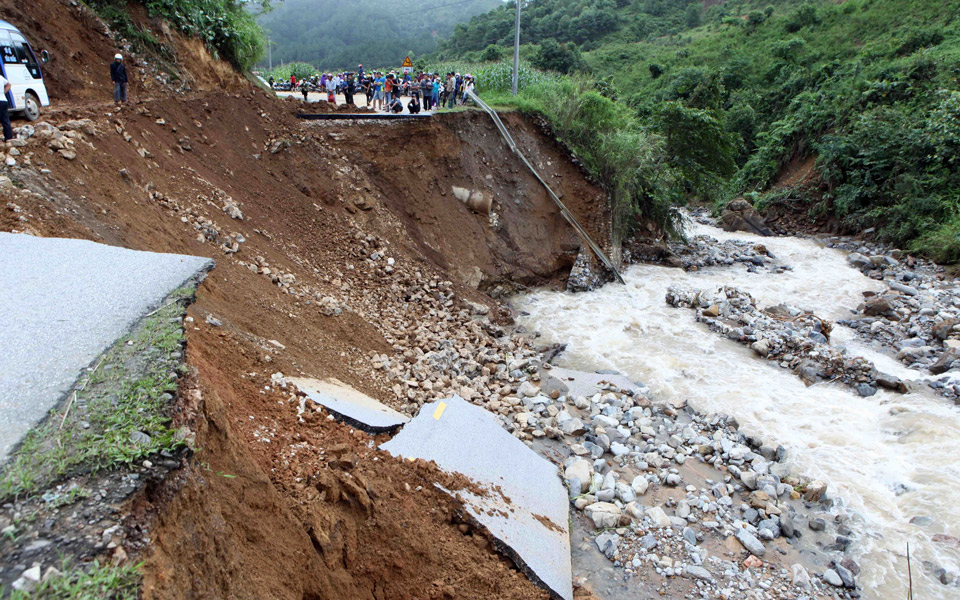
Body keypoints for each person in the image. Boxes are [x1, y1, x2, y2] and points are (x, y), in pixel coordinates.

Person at [0, 72, 12, 144]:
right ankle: (9, 138)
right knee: (5, 121)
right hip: (4, 101)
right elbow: (8, 84)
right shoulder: (0, 77)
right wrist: (3, 92)